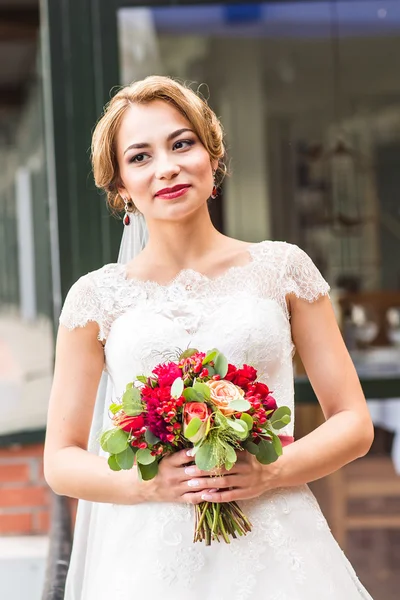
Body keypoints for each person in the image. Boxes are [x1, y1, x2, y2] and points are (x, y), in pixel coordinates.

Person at [44, 75, 374, 599]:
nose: (167, 167)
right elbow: (60, 460)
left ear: (212, 157)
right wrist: (145, 483)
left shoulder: (283, 267)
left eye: (182, 144)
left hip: (276, 539)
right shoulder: (96, 297)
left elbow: (355, 423)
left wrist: (272, 471)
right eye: (140, 157)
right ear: (120, 187)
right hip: (148, 556)